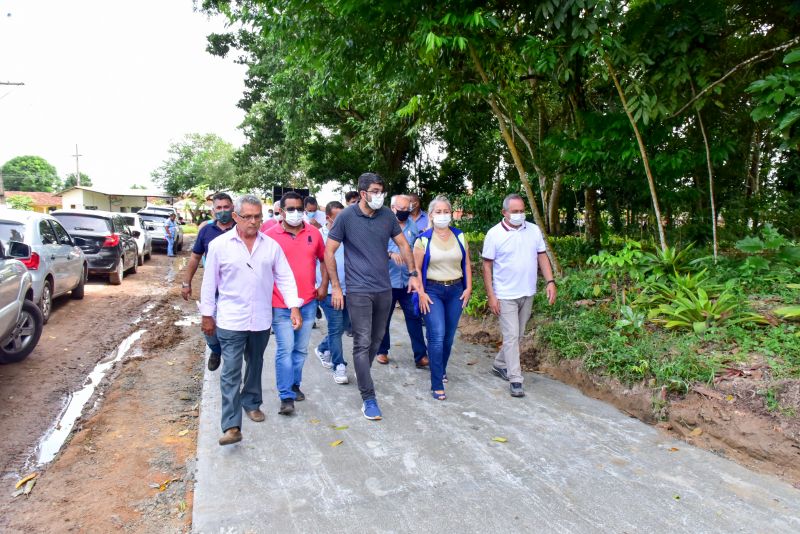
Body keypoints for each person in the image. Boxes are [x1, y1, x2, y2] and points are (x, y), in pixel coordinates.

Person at [200, 195, 301, 446]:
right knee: (231, 371)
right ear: (236, 216)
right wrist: (206, 316)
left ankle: (252, 402)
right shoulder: (220, 245)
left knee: (255, 364)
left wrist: (294, 306)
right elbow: (209, 282)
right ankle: (232, 425)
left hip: (261, 320)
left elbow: (285, 277)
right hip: (230, 320)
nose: (253, 221)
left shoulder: (271, 246)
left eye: (258, 216)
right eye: (248, 217)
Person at [325, 172, 422, 421]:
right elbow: (329, 251)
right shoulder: (346, 217)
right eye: (375, 191)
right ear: (363, 193)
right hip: (358, 290)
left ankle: (361, 372)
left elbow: (403, 244)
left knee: (377, 340)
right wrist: (336, 286)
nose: (380, 196)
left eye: (382, 191)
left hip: (384, 287)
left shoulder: (387, 216)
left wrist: (412, 274)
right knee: (362, 341)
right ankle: (368, 398)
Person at [482, 193, 557, 398]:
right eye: (515, 212)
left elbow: (541, 256)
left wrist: (550, 282)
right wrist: (492, 295)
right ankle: (515, 379)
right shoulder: (494, 234)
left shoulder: (533, 230)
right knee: (512, 336)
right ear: (504, 213)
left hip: (528, 292)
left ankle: (499, 363)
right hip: (505, 294)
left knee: (518, 334)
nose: (519, 215)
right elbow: (487, 267)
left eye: (522, 211)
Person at [265, 191, 327, 415]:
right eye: (290, 209)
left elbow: (324, 260)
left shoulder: (314, 233)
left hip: (308, 301)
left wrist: (324, 286)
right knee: (285, 349)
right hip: (280, 303)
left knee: (300, 350)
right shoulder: (269, 235)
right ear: (281, 211)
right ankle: (286, 397)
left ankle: (294, 385)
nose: (295, 213)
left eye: (299, 209)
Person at [414, 196, 472, 401]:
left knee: (448, 337)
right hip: (432, 291)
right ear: (431, 215)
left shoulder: (460, 236)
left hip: (456, 290)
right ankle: (436, 382)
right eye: (438, 212)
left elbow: (466, 263)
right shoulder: (423, 239)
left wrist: (469, 288)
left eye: (446, 211)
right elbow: (416, 270)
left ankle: (442, 368)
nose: (442, 215)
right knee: (437, 336)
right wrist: (420, 293)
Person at [181, 192, 235, 371]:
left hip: (235, 291)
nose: (223, 211)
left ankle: (231, 365)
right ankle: (216, 350)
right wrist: (186, 283)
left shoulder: (240, 229)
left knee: (232, 331)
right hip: (212, 290)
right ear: (213, 211)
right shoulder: (206, 231)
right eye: (218, 208)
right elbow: (195, 258)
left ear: (232, 207)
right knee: (209, 329)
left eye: (226, 207)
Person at [376, 195, 428, 367]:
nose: (405, 212)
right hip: (387, 281)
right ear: (392, 208)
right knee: (384, 318)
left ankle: (420, 355)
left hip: (408, 281)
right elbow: (374, 249)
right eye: (402, 209)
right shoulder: (382, 225)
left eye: (408, 209)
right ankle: (382, 351)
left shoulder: (413, 226)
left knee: (414, 317)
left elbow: (417, 248)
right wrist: (391, 254)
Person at [315, 201, 350, 384]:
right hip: (328, 290)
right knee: (335, 328)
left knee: (345, 325)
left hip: (349, 290)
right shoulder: (319, 236)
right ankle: (339, 365)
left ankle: (322, 348)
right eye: (338, 218)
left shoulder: (349, 235)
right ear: (328, 218)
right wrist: (318, 286)